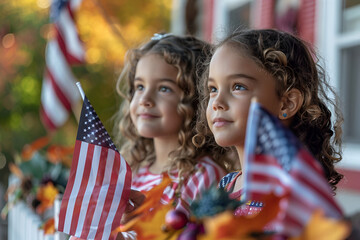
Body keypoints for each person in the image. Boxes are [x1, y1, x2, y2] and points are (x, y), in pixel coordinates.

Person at [194, 29, 344, 215]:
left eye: (238, 87)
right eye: (213, 89)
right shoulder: (226, 185)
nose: (217, 102)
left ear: (287, 103)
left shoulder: (295, 190)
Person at [113, 33, 234, 239]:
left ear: (196, 100)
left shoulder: (203, 175)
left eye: (164, 89)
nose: (145, 99)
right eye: (140, 86)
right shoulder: (134, 167)